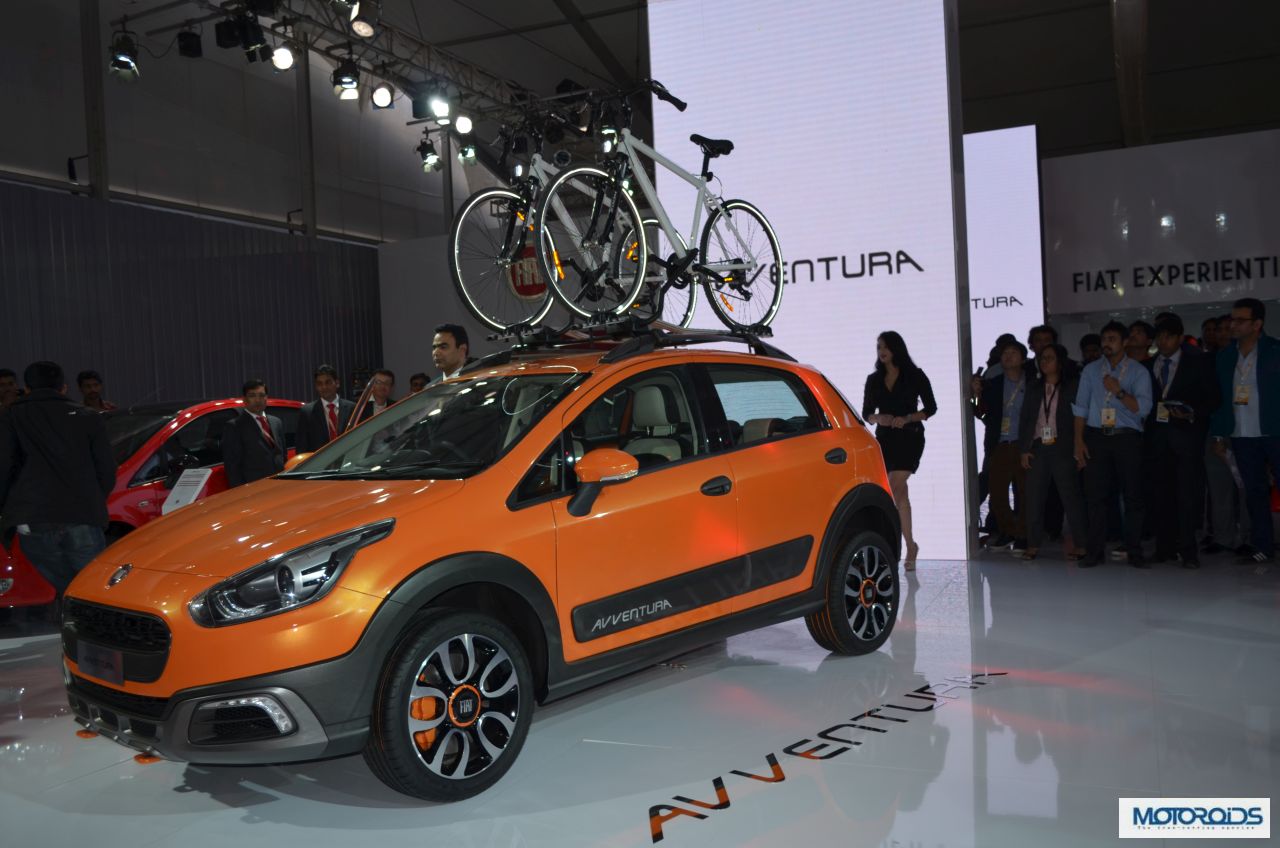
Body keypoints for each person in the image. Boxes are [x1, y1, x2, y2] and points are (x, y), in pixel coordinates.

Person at [0, 361, 115, 596]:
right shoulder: (89, 417)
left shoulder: (10, 417)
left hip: (33, 517)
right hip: (82, 513)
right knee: (92, 587)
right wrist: (93, 498)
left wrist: (8, 509)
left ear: (27, 388)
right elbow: (106, 469)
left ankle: (70, 609)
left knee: (63, 586)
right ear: (63, 387)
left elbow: (5, 467)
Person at [1073, 321, 1154, 568]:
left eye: (1112, 339)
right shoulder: (1091, 370)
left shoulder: (1138, 371)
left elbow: (1143, 409)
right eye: (1104, 339)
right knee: (1095, 497)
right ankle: (1095, 552)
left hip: (1126, 437)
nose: (1106, 344)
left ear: (1125, 342)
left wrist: (1119, 392)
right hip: (1097, 436)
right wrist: (1078, 441)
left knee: (1133, 496)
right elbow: (1081, 408)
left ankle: (1134, 551)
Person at [1210, 297, 1280, 565]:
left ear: (1257, 324)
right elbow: (1219, 399)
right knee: (1254, 491)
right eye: (1233, 319)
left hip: (1274, 430)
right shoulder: (1226, 356)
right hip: (1241, 433)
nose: (1233, 325)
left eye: (1240, 320)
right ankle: (1263, 546)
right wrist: (1219, 434)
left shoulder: (1275, 350)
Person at [1147, 316, 1219, 568]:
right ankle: (1163, 548)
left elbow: (1213, 399)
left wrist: (1191, 412)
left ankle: (1189, 551)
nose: (1163, 341)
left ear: (1179, 338)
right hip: (1157, 440)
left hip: (1187, 437)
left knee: (1187, 497)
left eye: (1168, 337)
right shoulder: (1148, 365)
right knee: (1160, 496)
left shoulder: (1197, 363)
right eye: (1159, 337)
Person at [863, 332, 937, 570]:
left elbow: (931, 408)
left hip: (910, 437)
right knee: (901, 495)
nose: (881, 351)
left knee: (894, 487)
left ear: (896, 348)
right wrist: (879, 418)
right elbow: (866, 413)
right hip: (884, 440)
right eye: (878, 347)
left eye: (885, 346)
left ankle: (887, 544)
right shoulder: (874, 379)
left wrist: (907, 418)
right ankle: (910, 546)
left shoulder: (915, 375)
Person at [1018, 343, 1087, 560]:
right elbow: (1025, 419)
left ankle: (1082, 544)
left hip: (1063, 445)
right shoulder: (1033, 387)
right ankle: (1033, 544)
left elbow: (1080, 418)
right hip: (1038, 446)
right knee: (1034, 497)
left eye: (1049, 358)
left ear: (1060, 362)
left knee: (1070, 497)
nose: (1044, 361)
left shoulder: (1072, 386)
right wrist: (1024, 449)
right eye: (1042, 358)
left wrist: (1078, 446)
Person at [977, 339, 1029, 552]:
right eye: (1005, 353)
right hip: (999, 444)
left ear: (1023, 358)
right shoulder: (994, 383)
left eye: (1013, 352)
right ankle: (1008, 531)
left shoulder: (1032, 382)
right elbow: (980, 413)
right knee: (997, 493)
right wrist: (976, 395)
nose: (1008, 356)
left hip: (1025, 444)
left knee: (1025, 493)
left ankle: (1024, 535)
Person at [221, 379, 285, 487]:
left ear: (266, 398)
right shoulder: (235, 426)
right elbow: (232, 467)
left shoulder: (276, 422)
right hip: (254, 487)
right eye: (252, 396)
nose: (258, 400)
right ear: (244, 399)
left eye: (262, 395)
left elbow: (283, 455)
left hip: (279, 484)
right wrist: (242, 492)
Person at [297, 365, 355, 453]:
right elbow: (302, 448)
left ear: (337, 383)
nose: (324, 387)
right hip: (319, 461)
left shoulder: (352, 408)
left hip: (348, 459)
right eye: (319, 384)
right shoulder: (307, 412)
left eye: (328, 382)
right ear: (316, 386)